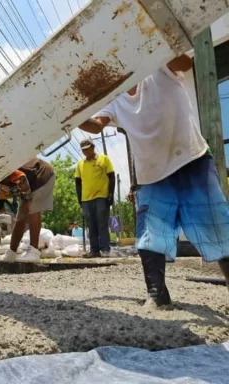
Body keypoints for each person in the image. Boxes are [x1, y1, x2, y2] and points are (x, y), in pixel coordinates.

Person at [78, 53, 229, 307]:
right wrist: (64, 113)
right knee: (150, 236)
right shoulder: (115, 100)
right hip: (153, 176)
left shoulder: (158, 67)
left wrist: (161, 46)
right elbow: (94, 126)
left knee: (218, 228)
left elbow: (185, 63)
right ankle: (157, 295)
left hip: (192, 161)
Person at [0, 158, 56, 262]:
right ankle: (12, 253)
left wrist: (28, 199)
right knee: (20, 218)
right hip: (28, 186)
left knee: (32, 209)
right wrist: (1, 228)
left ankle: (34, 252)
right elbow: (2, 215)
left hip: (41, 174)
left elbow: (21, 176)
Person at [74, 138, 115, 258]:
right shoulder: (80, 164)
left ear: (93, 147)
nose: (85, 152)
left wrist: (111, 194)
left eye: (87, 149)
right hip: (86, 199)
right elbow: (77, 181)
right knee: (90, 225)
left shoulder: (104, 159)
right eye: (83, 150)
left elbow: (111, 176)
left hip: (101, 196)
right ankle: (94, 250)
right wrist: (79, 198)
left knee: (102, 223)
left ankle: (105, 249)